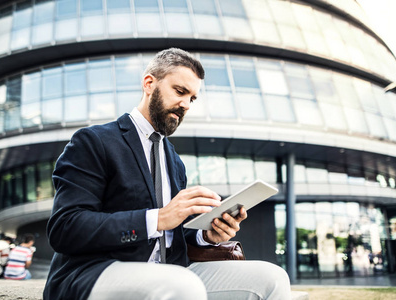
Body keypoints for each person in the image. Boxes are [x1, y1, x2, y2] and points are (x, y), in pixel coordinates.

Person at [43, 48, 291, 300]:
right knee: (182, 285)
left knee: (272, 278)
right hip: (95, 271)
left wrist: (207, 235)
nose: (185, 104)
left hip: (171, 270)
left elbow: (173, 233)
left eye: (192, 98)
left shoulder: (174, 160)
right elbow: (65, 228)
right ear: (149, 84)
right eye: (180, 91)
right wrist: (158, 218)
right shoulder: (94, 141)